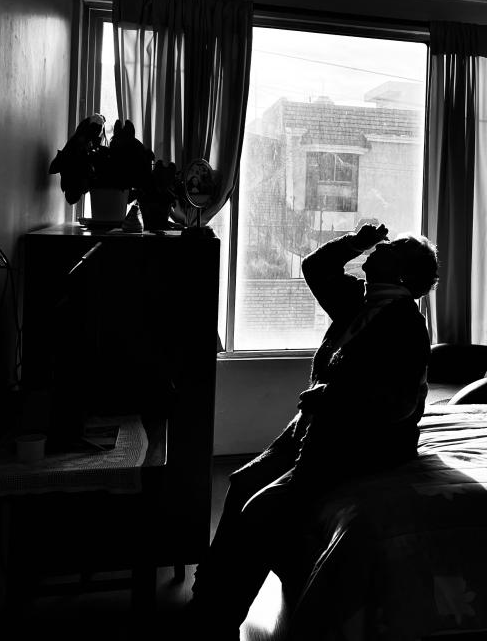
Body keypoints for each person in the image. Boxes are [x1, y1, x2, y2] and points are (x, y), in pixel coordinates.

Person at [188, 223, 439, 636]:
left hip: (360, 442)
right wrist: (357, 241)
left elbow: (398, 405)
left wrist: (330, 396)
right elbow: (315, 267)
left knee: (261, 511)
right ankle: (205, 598)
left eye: (392, 248)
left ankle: (215, 620)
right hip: (315, 427)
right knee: (242, 483)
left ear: (402, 274)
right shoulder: (358, 301)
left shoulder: (405, 325)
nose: (382, 246)